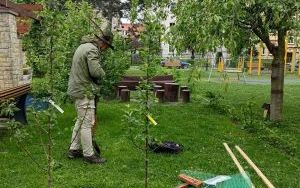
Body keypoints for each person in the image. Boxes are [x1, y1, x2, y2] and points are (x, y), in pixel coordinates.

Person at [67, 27, 114, 164]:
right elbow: (95, 72)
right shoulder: (92, 50)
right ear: (103, 43)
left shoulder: (83, 46)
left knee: (80, 120)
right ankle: (89, 155)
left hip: (77, 88)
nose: (105, 50)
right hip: (84, 90)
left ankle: (73, 149)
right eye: (106, 47)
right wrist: (103, 74)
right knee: (87, 123)